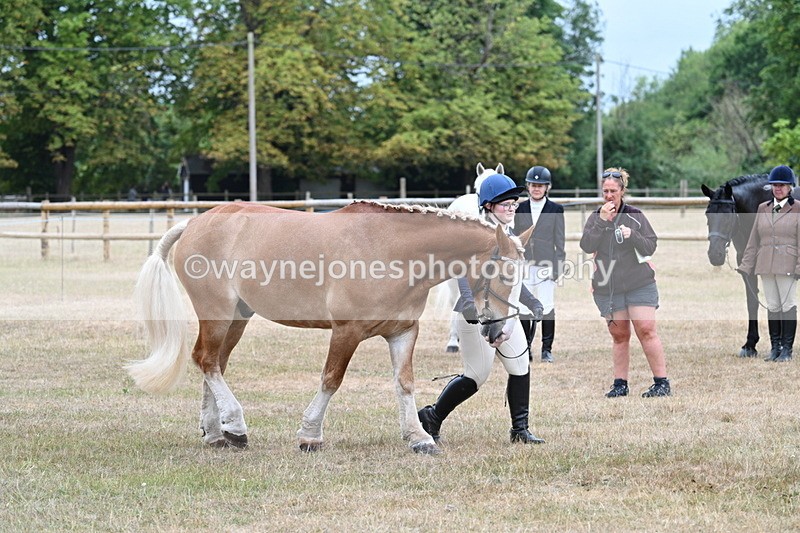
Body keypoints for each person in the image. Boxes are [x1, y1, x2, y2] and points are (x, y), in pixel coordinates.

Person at [418, 173, 546, 444]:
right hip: (474, 313)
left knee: (520, 365)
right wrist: (471, 306)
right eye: (505, 204)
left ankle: (520, 429)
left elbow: (509, 280)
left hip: (504, 312)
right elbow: (462, 274)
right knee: (477, 375)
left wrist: (531, 301)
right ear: (488, 205)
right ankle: (432, 416)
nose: (512, 208)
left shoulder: (509, 236)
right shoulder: (473, 235)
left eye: (514, 203)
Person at [579, 167, 670, 398]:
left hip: (639, 283)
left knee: (646, 330)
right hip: (609, 287)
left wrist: (633, 235)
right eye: (605, 191)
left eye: (613, 191)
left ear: (622, 191)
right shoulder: (596, 217)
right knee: (619, 336)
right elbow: (587, 246)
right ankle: (620, 384)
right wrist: (601, 221)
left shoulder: (634, 215)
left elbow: (650, 245)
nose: (609, 196)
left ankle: (661, 383)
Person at [738, 165, 800, 362]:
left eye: (782, 185)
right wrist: (746, 266)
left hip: (787, 264)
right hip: (766, 264)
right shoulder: (762, 208)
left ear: (790, 187)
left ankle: (787, 349)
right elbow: (753, 241)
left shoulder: (798, 208)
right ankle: (775, 347)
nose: (778, 188)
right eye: (774, 185)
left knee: (787, 304)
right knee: (773, 305)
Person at [515, 166, 566, 363]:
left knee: (546, 306)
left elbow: (559, 242)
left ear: (547, 187)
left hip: (546, 263)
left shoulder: (555, 209)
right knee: (524, 307)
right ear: (528, 186)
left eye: (541, 186)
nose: (537, 189)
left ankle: (546, 349)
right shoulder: (520, 208)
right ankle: (525, 348)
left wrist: (557, 268)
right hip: (525, 264)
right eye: (533, 185)